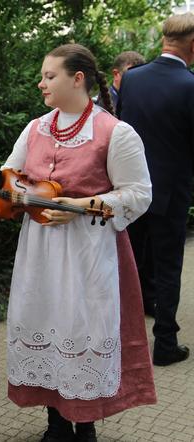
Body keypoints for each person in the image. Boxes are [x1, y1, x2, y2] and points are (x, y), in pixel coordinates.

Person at [0, 44, 156, 442]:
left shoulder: (115, 132)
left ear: (78, 79)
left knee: (81, 329)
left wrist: (82, 205)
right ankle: (55, 422)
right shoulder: (35, 127)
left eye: (49, 76)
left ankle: (84, 424)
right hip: (39, 253)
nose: (41, 83)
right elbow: (5, 175)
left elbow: (139, 194)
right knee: (44, 323)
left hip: (90, 255)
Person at [117, 13, 194, 367]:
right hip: (170, 193)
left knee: (129, 265)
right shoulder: (189, 85)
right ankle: (164, 343)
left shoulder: (132, 79)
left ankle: (123, 341)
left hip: (130, 191)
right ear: (192, 45)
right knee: (167, 267)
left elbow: (119, 134)